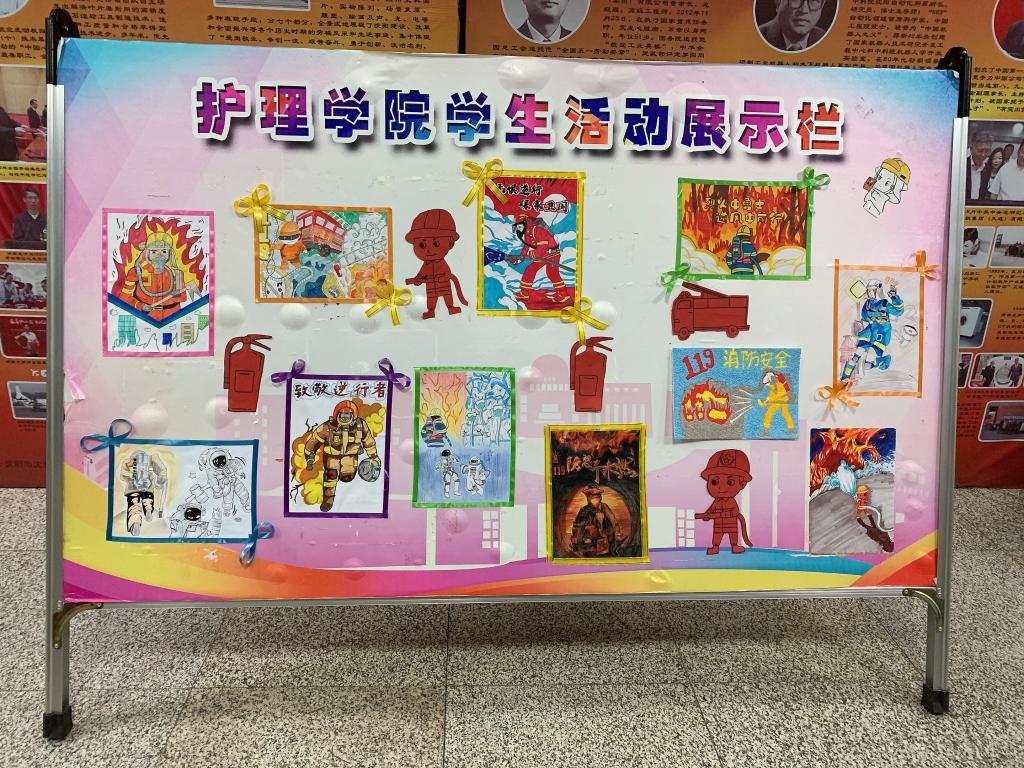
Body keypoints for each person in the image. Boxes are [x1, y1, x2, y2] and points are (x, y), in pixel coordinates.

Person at [758, 0, 828, 52]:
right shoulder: (758, 38)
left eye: (813, 1)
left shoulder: (825, 40)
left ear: (822, 5)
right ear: (778, 3)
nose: (804, 10)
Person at [967, 131, 995, 201]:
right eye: (980, 150)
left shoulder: (987, 169)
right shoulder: (962, 166)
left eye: (987, 151)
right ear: (971, 149)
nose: (983, 155)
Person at [998, 137, 1024, 202]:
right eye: (1023, 152)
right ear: (1018, 151)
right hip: (1004, 207)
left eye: (1011, 150)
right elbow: (994, 193)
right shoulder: (1004, 168)